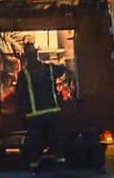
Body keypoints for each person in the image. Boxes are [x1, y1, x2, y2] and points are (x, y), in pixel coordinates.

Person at [16, 42, 67, 171]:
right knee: (55, 141)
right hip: (52, 113)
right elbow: (62, 69)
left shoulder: (24, 74)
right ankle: (59, 165)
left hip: (34, 116)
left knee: (35, 144)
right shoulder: (49, 68)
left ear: (25, 57)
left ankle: (35, 167)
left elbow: (19, 94)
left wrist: (21, 108)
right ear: (37, 54)